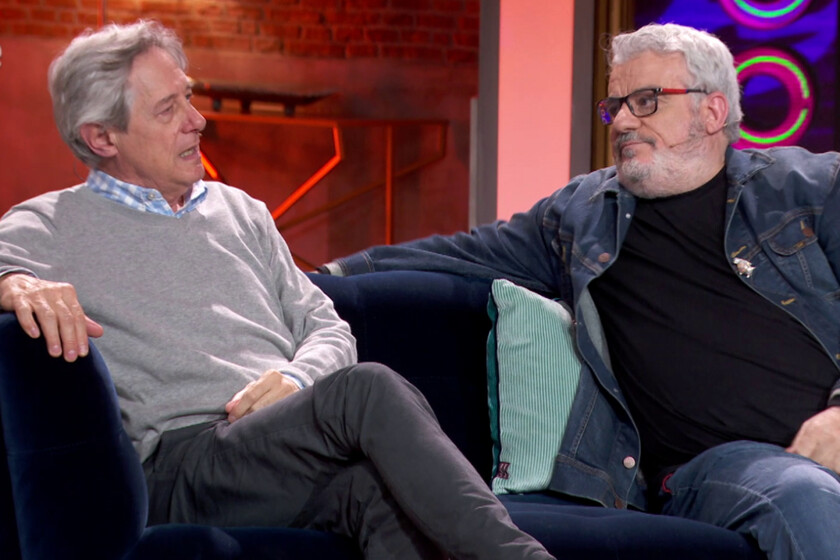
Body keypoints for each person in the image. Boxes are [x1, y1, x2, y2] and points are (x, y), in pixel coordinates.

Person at [0, 20, 555, 560]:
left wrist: (295, 379)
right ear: (102, 137)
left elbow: (329, 328)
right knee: (366, 389)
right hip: (180, 464)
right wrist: (16, 282)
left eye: (188, 97)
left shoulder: (241, 211)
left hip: (278, 447)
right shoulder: (50, 223)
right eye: (168, 110)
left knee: (374, 494)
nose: (197, 120)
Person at [321, 22, 840, 560]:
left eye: (646, 101)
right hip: (726, 468)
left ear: (711, 112)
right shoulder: (581, 216)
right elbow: (456, 254)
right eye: (615, 106)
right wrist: (310, 282)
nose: (623, 121)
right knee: (804, 495)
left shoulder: (810, 188)